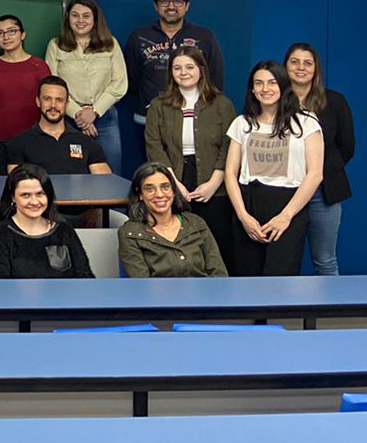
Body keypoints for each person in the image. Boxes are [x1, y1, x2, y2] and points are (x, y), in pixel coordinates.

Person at [224, 61, 324, 277]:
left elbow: (315, 174)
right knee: (247, 277)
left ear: (283, 85)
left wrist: (285, 217)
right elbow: (230, 173)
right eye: (258, 83)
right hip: (248, 204)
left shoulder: (306, 122)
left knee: (281, 278)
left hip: (289, 205)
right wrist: (243, 216)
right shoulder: (242, 123)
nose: (265, 89)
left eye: (272, 82)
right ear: (252, 89)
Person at [144, 46, 236, 271]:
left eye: (189, 67)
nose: (183, 72)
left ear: (201, 69)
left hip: (216, 183)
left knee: (218, 246)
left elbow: (229, 146)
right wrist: (173, 185)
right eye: (177, 68)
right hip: (174, 179)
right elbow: (154, 146)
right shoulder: (158, 106)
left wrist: (214, 183)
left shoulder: (222, 104)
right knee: (180, 248)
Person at [286, 43, 353, 276]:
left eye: (308, 63)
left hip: (324, 193)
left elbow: (347, 146)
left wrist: (322, 172)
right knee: (284, 259)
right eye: (295, 62)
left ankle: (329, 302)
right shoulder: (275, 100)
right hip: (284, 190)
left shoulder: (335, 101)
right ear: (285, 66)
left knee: (325, 259)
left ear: (316, 69)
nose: (301, 68)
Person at [125, 0, 225, 127]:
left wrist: (207, 111)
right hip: (148, 118)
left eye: (178, 1)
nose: (171, 6)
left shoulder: (204, 37)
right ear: (155, 5)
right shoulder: (139, 37)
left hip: (194, 118)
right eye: (164, 1)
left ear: (187, 6)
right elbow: (130, 80)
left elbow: (215, 78)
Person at [44, 0, 127, 169]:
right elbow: (53, 85)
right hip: (69, 120)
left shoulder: (110, 44)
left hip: (105, 118)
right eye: (75, 15)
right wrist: (79, 114)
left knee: (111, 170)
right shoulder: (56, 45)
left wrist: (94, 112)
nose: (80, 20)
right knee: (73, 171)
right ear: (68, 18)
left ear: (95, 19)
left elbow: (119, 84)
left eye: (86, 16)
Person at [0, 164, 94, 279]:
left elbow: (85, 276)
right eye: (25, 195)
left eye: (40, 194)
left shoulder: (64, 231)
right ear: (13, 197)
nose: (34, 202)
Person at [119, 162, 228, 278]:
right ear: (140, 194)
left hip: (203, 290)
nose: (159, 194)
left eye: (165, 187)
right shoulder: (130, 233)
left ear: (174, 191)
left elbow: (218, 274)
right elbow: (141, 283)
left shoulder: (196, 223)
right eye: (150, 189)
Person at [6, 76, 111, 175]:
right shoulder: (18, 144)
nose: (53, 105)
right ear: (38, 101)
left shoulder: (87, 143)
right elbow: (16, 184)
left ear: (67, 104)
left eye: (59, 100)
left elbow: (104, 183)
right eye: (47, 99)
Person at [0, 15, 52, 141]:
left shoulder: (39, 66)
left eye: (11, 31)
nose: (6, 37)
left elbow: (49, 103)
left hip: (36, 137)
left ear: (22, 35)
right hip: (0, 138)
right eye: (0, 33)